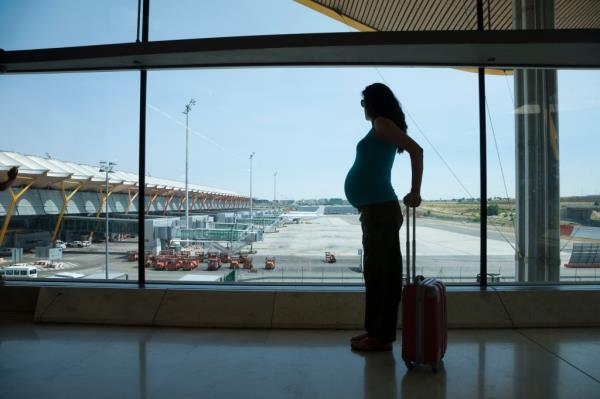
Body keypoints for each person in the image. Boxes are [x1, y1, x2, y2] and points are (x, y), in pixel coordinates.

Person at [344, 83, 423, 352]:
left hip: (380, 210)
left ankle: (380, 336)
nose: (363, 107)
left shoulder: (381, 123)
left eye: (364, 102)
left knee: (381, 276)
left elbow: (416, 150)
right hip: (375, 210)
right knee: (377, 274)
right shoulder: (379, 125)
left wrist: (415, 191)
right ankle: (376, 332)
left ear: (374, 103)